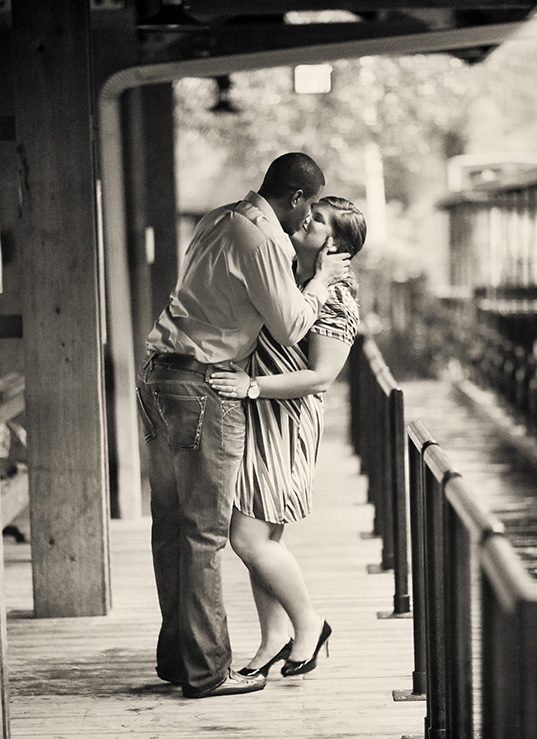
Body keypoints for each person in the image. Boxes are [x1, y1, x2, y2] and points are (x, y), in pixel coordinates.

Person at [137, 153, 350, 699]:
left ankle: (181, 660)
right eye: (307, 212)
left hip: (162, 374)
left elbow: (317, 364)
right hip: (205, 384)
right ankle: (207, 671)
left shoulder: (218, 217)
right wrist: (322, 280)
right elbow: (292, 321)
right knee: (204, 533)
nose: (305, 224)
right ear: (298, 198)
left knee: (174, 527)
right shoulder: (264, 241)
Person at [206, 196, 365, 680]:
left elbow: (320, 378)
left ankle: (309, 625)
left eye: (317, 220)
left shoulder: (337, 297)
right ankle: (275, 638)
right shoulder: (299, 278)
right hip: (261, 416)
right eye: (308, 212)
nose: (304, 220)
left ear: (333, 243)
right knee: (265, 535)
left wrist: (250, 386)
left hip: (284, 420)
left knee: (247, 537)